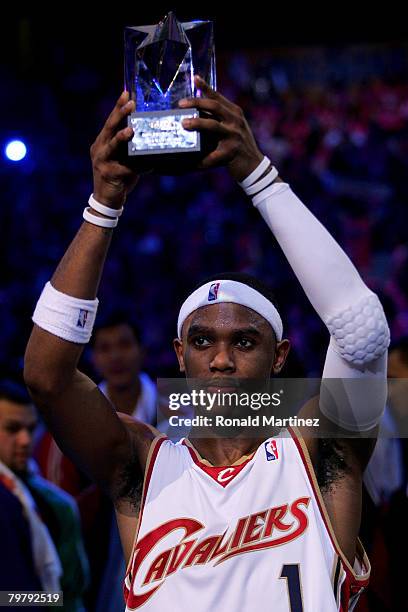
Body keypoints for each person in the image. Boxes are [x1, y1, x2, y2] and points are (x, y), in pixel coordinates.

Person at [24, 75, 390, 611]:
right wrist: (104, 202)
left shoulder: (317, 455)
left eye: (244, 341)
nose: (220, 360)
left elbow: (361, 331)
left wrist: (258, 176)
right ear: (180, 354)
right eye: (202, 341)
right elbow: (46, 377)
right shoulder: (142, 466)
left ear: (279, 356)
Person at [0, 381, 89, 611]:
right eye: (12, 429)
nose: (25, 440)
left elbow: (69, 594)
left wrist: (32, 598)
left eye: (30, 429)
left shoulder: (58, 506)